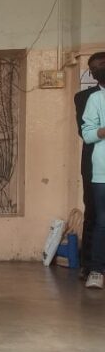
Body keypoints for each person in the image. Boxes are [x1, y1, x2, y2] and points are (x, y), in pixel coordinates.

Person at [75, 52, 105, 282]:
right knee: (95, 215)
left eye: (101, 65)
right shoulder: (87, 97)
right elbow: (85, 132)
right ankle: (90, 265)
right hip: (95, 165)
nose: (97, 70)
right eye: (93, 68)